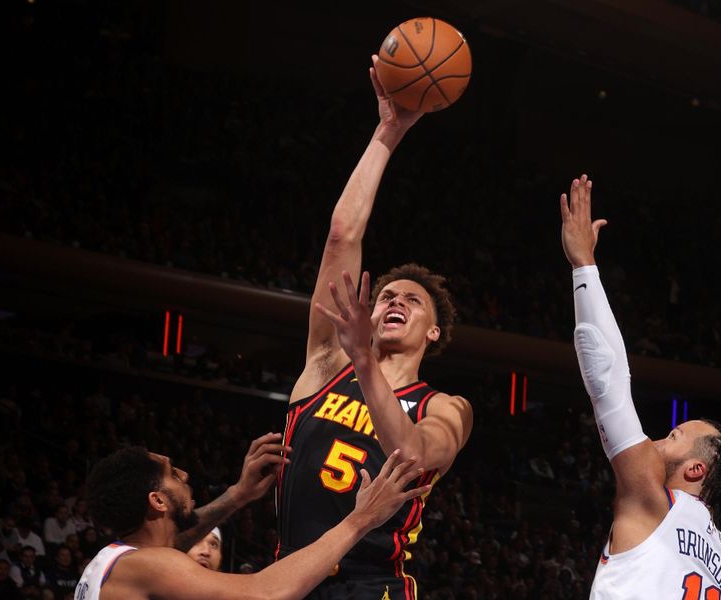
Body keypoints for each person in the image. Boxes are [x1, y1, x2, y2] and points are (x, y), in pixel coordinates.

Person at [277, 58, 473, 599]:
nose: (394, 301)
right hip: (289, 577)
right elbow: (342, 235)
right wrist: (387, 133)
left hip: (373, 586)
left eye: (413, 301)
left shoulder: (443, 406)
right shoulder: (326, 363)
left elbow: (411, 455)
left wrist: (365, 360)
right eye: (386, 294)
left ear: (434, 333)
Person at [559, 174, 721, 599]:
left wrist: (583, 267)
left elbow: (606, 376)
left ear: (695, 470)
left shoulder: (655, 499)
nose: (654, 439)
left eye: (673, 436)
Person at [74, 434, 428, 600]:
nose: (184, 474)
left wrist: (238, 494)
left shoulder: (117, 560)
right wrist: (360, 519)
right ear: (158, 501)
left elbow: (175, 538)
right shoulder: (147, 567)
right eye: (171, 473)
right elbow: (266, 594)